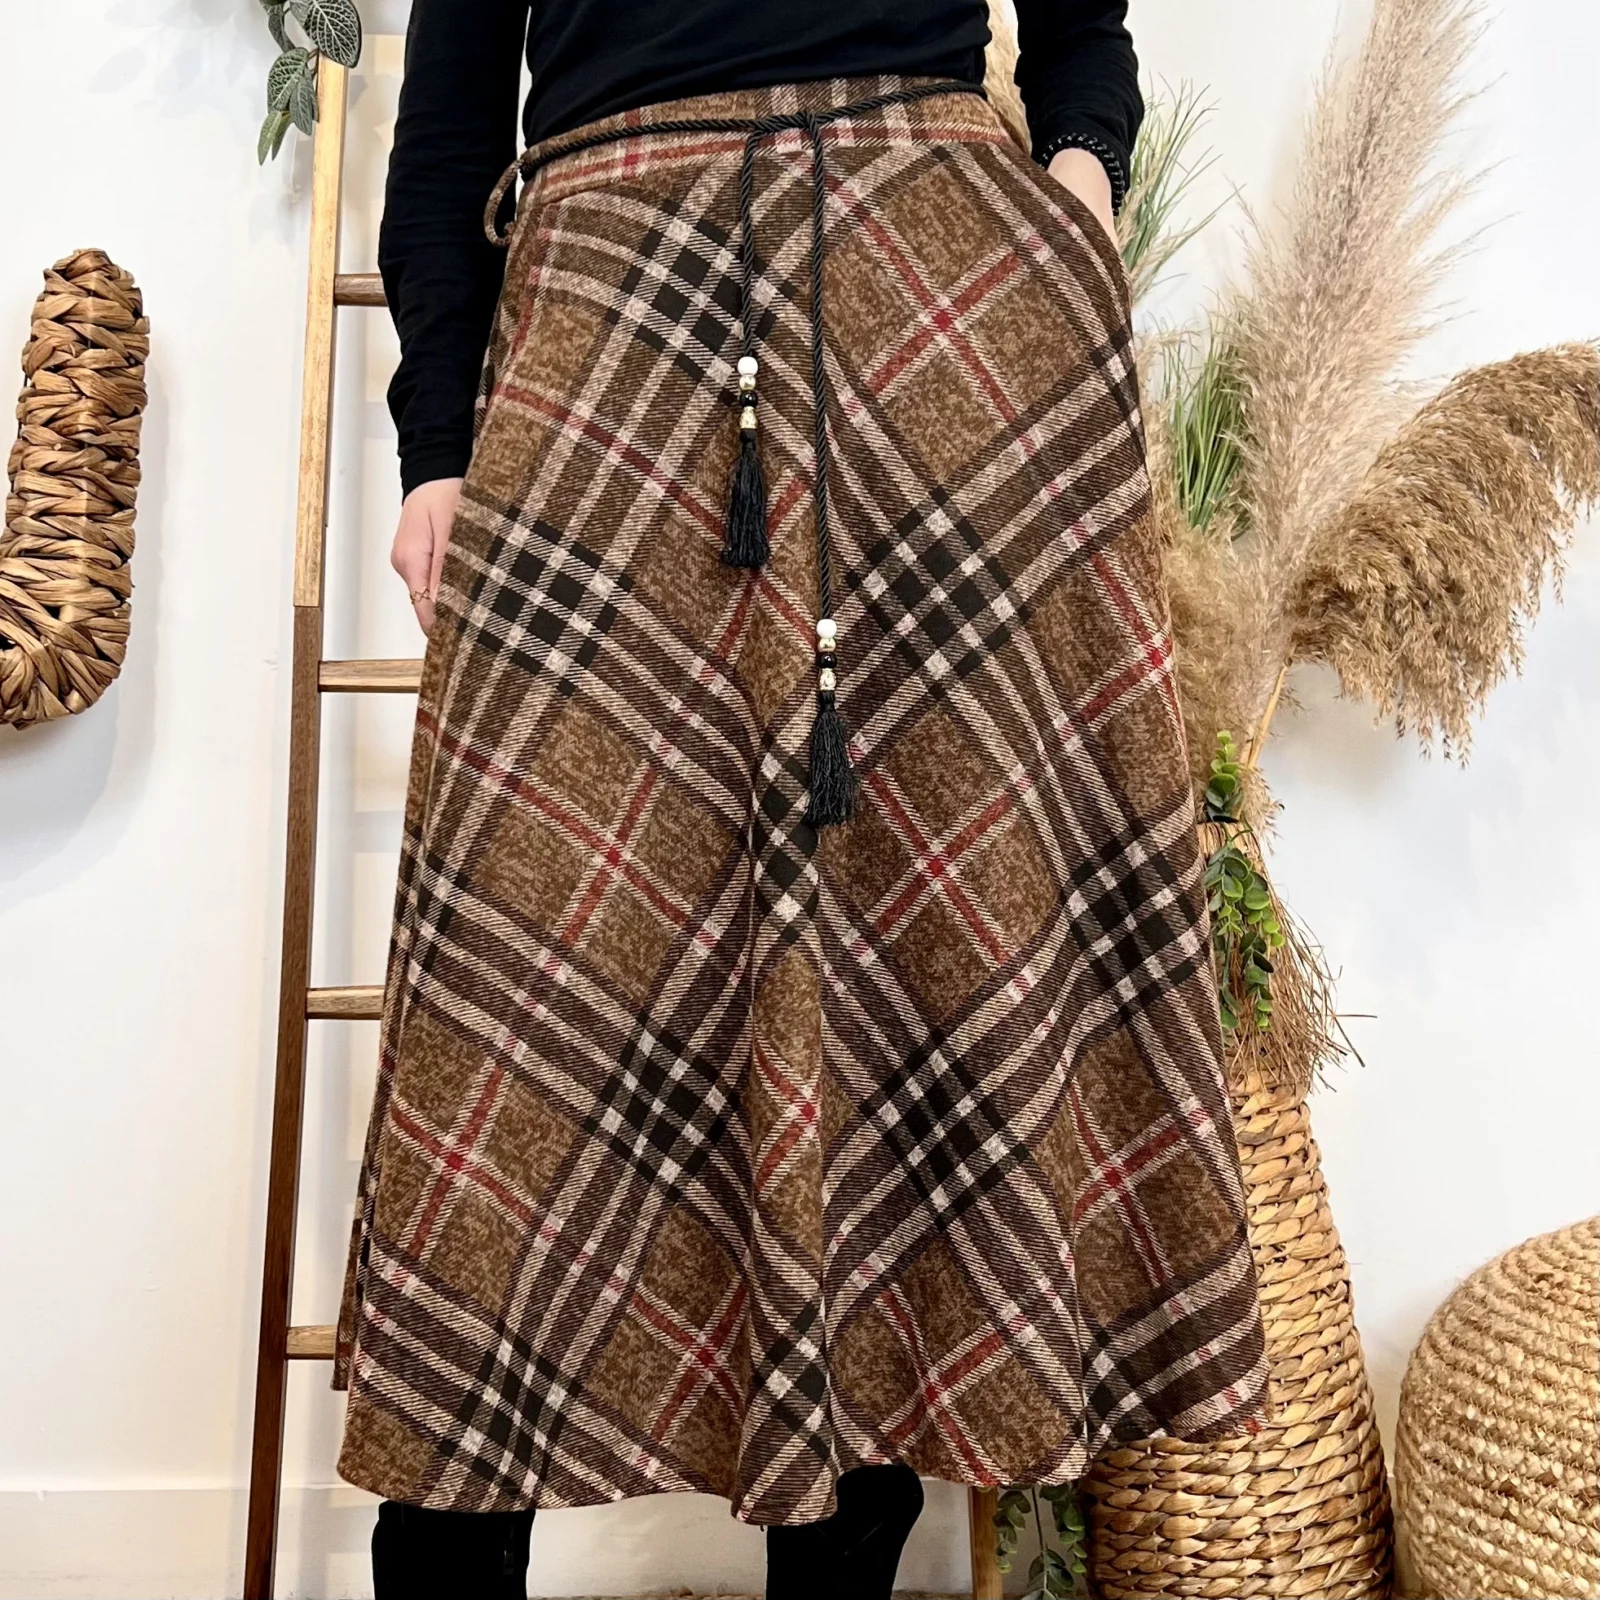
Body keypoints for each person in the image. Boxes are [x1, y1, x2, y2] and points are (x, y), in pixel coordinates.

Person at [334, 3, 1271, 1596]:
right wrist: (437, 447)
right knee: (520, 1004)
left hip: (938, 316)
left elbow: (1079, 32)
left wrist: (1074, 199)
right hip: (608, 313)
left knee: (896, 977)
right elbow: (448, 135)